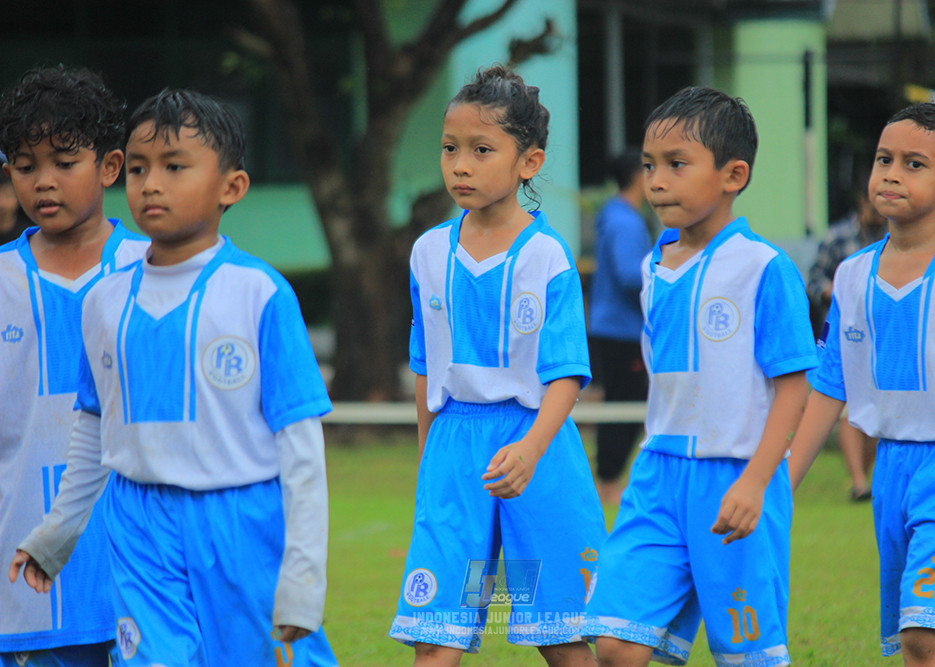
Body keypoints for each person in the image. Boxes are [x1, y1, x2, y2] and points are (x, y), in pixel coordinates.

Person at [8, 89, 338, 666]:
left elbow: (302, 447)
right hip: (137, 524)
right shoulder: (105, 304)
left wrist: (304, 577)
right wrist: (56, 534)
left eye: (174, 167)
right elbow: (93, 432)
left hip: (240, 523)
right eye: (138, 169)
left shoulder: (259, 293)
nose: (150, 183)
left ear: (231, 188)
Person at [584, 86, 817, 667]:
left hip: (734, 476)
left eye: (676, 165)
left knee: (744, 657)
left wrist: (756, 482)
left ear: (733, 174)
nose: (656, 180)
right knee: (615, 643)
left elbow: (795, 385)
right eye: (649, 166)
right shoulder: (652, 265)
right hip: (657, 476)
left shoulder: (764, 268)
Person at [388, 65, 607, 666]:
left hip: (535, 447)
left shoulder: (547, 256)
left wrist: (532, 450)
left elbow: (566, 376)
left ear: (528, 163)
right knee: (437, 635)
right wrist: (429, 461)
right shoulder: (427, 252)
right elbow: (425, 367)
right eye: (450, 148)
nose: (460, 164)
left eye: (482, 150)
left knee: (557, 632)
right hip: (455, 452)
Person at [789, 103, 935, 666]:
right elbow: (829, 385)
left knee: (922, 637)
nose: (890, 174)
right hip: (892, 472)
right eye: (884, 159)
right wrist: (780, 481)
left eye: (913, 164)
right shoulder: (852, 277)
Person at [0, 64, 147, 667]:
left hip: (138, 560)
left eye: (64, 161)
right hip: (20, 567)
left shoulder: (154, 271)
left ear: (109, 167)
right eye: (26, 165)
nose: (44, 182)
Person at [806, 186, 887, 501]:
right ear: (863, 201)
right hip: (847, 339)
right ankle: (858, 483)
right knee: (848, 410)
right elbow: (813, 280)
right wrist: (833, 293)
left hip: (883, 340)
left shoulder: (895, 239)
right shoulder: (838, 237)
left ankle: (865, 478)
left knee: (875, 413)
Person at [587, 149, 658, 505]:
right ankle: (608, 483)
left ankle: (608, 480)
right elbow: (632, 275)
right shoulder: (625, 222)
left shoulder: (616, 215)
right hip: (621, 330)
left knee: (623, 404)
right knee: (623, 406)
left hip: (614, 327)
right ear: (637, 177)